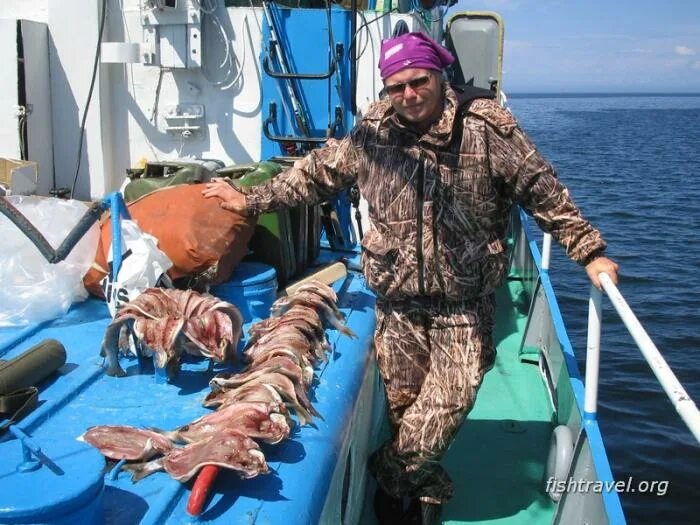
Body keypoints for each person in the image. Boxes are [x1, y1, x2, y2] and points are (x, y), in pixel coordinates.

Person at [202, 31, 619, 525]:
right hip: (397, 298)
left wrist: (589, 252)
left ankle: (391, 476)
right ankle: (418, 491)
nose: (409, 95)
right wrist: (248, 199)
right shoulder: (374, 131)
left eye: (418, 81)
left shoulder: (485, 127)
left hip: (462, 301)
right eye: (396, 87)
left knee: (450, 399)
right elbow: (317, 174)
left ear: (439, 75)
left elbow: (541, 189)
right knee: (404, 407)